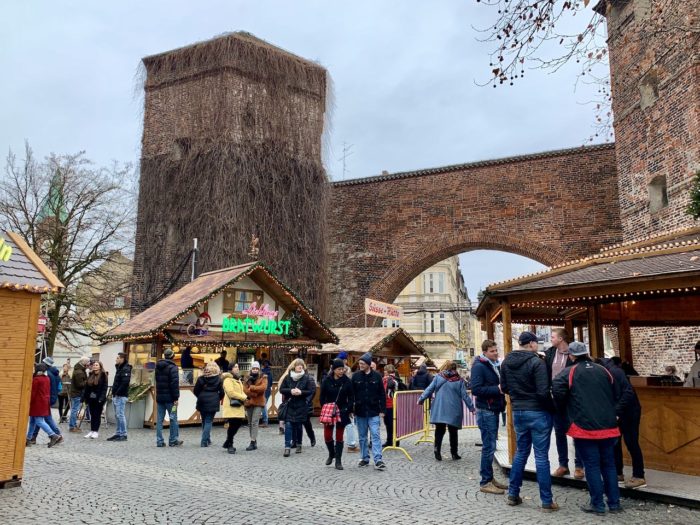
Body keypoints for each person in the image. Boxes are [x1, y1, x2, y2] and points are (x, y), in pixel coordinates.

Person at [553, 342, 622, 514]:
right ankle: (614, 503)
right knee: (609, 465)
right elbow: (615, 392)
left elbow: (557, 388)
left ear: (571, 356)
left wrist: (565, 406)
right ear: (587, 353)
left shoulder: (570, 372)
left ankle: (597, 504)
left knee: (591, 465)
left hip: (584, 426)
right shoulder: (603, 370)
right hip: (608, 424)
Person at [500, 331, 558, 512]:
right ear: (532, 344)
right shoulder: (537, 363)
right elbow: (542, 392)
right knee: (541, 457)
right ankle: (547, 501)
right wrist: (552, 408)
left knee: (521, 453)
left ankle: (513, 494)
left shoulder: (506, 363)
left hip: (519, 412)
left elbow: (505, 387)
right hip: (538, 412)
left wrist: (519, 398)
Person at [599, 357, 646, 489]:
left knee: (631, 442)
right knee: (615, 442)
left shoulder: (615, 372)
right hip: (617, 411)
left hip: (630, 411)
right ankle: (618, 473)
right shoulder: (606, 372)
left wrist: (616, 411)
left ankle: (639, 475)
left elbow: (628, 393)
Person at [544, 328, 583, 479]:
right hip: (556, 399)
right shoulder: (550, 354)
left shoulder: (573, 354)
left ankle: (579, 465)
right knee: (559, 432)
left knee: (577, 432)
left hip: (572, 399)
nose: (551, 339)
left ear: (561, 339)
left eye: (553, 337)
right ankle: (563, 465)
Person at [471, 340, 508, 494]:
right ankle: (485, 482)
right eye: (492, 351)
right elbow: (476, 389)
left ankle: (489, 478)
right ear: (485, 352)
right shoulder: (479, 366)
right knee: (488, 447)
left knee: (491, 446)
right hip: (486, 410)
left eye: (496, 350)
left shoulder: (493, 365)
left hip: (493, 409)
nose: (496, 353)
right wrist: (497, 389)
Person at [418, 361, 475, 462]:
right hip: (454, 408)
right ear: (455, 369)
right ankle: (454, 453)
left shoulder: (438, 377)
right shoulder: (459, 380)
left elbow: (429, 389)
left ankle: (437, 450)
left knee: (439, 430)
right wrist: (471, 408)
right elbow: (465, 396)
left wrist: (421, 399)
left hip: (440, 408)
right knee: (453, 432)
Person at [351, 352, 387, 470]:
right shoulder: (355, 376)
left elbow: (382, 394)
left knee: (375, 435)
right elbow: (351, 394)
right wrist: (351, 409)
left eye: (362, 363)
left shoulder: (377, 376)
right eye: (360, 363)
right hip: (360, 411)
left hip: (374, 411)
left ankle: (378, 459)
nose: (360, 365)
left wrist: (382, 410)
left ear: (368, 364)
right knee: (362, 436)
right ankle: (364, 458)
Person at [320, 358, 354, 470]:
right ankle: (331, 453)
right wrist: (325, 406)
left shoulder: (347, 381)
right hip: (329, 411)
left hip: (342, 411)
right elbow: (322, 396)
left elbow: (351, 397)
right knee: (327, 436)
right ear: (334, 370)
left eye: (343, 369)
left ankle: (338, 460)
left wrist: (347, 409)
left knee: (339, 436)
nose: (341, 371)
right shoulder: (326, 381)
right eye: (339, 369)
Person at [279, 358, 311, 457]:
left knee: (298, 426)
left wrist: (301, 392)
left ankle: (299, 444)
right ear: (294, 366)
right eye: (298, 365)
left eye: (301, 365)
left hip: (301, 405)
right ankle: (287, 447)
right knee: (288, 425)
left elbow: (309, 391)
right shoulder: (288, 377)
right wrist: (290, 391)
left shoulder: (306, 378)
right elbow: (281, 389)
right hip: (290, 404)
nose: (300, 366)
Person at [26, 364, 62, 448]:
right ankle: (28, 439)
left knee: (39, 421)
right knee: (32, 421)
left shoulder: (36, 379)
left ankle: (53, 435)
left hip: (37, 403)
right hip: (43, 402)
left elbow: (33, 394)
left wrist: (28, 402)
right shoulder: (46, 378)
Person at [155, 348, 182, 447]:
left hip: (160, 397)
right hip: (170, 398)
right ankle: (173, 440)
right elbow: (174, 384)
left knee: (159, 420)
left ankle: (159, 441)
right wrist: (176, 397)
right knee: (173, 419)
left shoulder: (158, 366)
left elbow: (157, 381)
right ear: (172, 356)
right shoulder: (173, 367)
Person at [194, 362, 224, 447]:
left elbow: (196, 391)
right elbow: (222, 392)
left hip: (202, 400)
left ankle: (207, 439)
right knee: (208, 421)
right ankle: (204, 441)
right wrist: (218, 398)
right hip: (213, 401)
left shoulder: (201, 379)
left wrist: (200, 396)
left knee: (204, 420)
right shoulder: (218, 379)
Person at [222, 363, 247, 454]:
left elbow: (241, 391)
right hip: (231, 405)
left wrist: (245, 396)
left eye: (237, 367)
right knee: (233, 425)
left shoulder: (238, 379)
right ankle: (230, 444)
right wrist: (243, 397)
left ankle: (227, 441)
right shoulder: (228, 380)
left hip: (238, 405)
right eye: (235, 367)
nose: (237, 368)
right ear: (231, 369)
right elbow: (231, 392)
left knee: (238, 423)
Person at [336, 351, 359, 452]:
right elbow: (349, 384)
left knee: (338, 423)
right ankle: (351, 445)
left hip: (337, 402)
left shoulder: (333, 369)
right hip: (344, 401)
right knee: (349, 423)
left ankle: (339, 443)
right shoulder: (347, 369)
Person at [243, 361, 268, 451]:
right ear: (251, 369)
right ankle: (254, 440)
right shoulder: (247, 378)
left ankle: (252, 441)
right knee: (250, 423)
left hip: (258, 402)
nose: (255, 370)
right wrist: (254, 394)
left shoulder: (263, 377)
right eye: (253, 368)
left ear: (259, 369)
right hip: (249, 402)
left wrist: (252, 388)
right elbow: (245, 390)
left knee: (254, 422)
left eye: (256, 368)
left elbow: (263, 388)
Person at [107, 352, 132, 442]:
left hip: (121, 396)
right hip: (116, 395)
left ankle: (123, 434)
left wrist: (117, 393)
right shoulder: (119, 368)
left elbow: (125, 383)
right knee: (117, 415)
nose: (116, 359)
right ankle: (118, 433)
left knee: (120, 415)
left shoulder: (126, 368)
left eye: (118, 358)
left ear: (122, 359)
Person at [82, 361, 108, 439]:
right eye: (94, 365)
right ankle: (92, 430)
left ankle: (96, 431)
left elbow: (104, 388)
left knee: (97, 415)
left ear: (100, 366)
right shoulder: (91, 375)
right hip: (91, 398)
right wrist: (84, 397)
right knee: (92, 415)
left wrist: (101, 398)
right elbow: (87, 388)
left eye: (97, 365)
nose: (95, 366)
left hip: (99, 398)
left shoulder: (103, 375)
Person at [381, 365, 402, 447]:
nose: (383, 372)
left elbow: (384, 391)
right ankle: (395, 440)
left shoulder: (387, 379)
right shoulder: (396, 378)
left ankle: (390, 441)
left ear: (387, 371)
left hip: (389, 404)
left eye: (384, 370)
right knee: (393, 423)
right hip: (395, 403)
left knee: (389, 423)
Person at [68, 356, 89, 433]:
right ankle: (72, 426)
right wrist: (87, 381)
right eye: (87, 363)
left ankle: (73, 425)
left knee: (74, 410)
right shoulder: (79, 372)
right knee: (74, 410)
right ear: (84, 363)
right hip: (77, 393)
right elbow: (80, 384)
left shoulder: (79, 370)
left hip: (76, 393)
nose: (88, 364)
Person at [301, 371, 317, 447]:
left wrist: (306, 401)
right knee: (296, 424)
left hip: (306, 404)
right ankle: (296, 442)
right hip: (296, 404)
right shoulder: (293, 377)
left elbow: (313, 391)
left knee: (306, 423)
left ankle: (312, 437)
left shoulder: (309, 378)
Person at [260, 358, 273, 427]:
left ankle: (265, 421)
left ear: (262, 365)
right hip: (268, 390)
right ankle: (265, 421)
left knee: (263, 405)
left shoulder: (262, 373)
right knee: (263, 405)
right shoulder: (270, 372)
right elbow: (271, 383)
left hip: (263, 391)